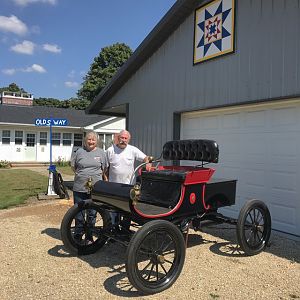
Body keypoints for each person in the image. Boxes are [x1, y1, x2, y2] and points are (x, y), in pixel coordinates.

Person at [106, 130, 150, 228]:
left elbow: (145, 158)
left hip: (128, 186)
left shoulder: (133, 150)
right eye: (122, 138)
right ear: (118, 138)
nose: (123, 140)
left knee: (127, 209)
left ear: (128, 140)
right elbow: (105, 168)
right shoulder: (110, 150)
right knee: (113, 209)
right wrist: (106, 181)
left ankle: (125, 230)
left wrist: (148, 163)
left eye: (126, 138)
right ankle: (114, 229)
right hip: (114, 185)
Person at [71, 131, 107, 242]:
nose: (91, 142)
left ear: (97, 141)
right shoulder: (79, 152)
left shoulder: (101, 153)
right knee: (79, 212)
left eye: (93, 140)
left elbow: (104, 168)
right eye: (89, 139)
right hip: (79, 187)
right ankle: (78, 234)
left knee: (92, 212)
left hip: (95, 188)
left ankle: (89, 234)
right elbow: (73, 166)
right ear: (85, 140)